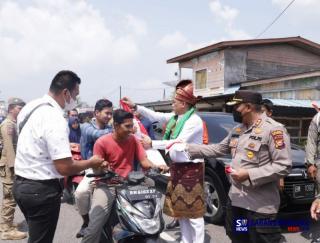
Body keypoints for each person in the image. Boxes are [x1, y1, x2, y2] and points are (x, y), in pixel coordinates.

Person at [174, 90, 292, 243]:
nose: (234, 110)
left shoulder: (274, 130)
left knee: (263, 240)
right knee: (239, 237)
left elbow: (283, 165)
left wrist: (249, 174)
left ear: (248, 107)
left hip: (260, 206)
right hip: (237, 203)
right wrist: (185, 148)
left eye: (236, 106)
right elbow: (217, 149)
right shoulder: (238, 129)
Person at [12, 70, 105, 243]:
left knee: (36, 237)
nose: (75, 100)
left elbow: (32, 141)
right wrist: (90, 162)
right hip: (41, 190)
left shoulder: (30, 107)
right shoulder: (54, 118)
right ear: (65, 93)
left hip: (21, 186)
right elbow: (64, 168)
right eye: (75, 94)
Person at [122, 79, 205, 243]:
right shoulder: (177, 118)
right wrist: (136, 107)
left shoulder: (193, 121)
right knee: (181, 211)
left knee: (194, 213)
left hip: (191, 169)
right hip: (179, 168)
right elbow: (156, 116)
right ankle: (186, 240)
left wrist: (152, 143)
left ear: (183, 103)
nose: (172, 104)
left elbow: (179, 142)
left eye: (174, 102)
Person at [81, 109, 168, 243]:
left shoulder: (133, 140)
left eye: (132, 125)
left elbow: (144, 161)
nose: (131, 129)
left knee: (151, 213)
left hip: (131, 184)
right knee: (94, 227)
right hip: (107, 185)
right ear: (115, 125)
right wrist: (102, 166)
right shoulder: (101, 142)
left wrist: (156, 167)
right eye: (127, 126)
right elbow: (96, 165)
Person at [74, 99, 113, 238]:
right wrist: (120, 131)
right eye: (106, 113)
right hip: (92, 168)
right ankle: (86, 222)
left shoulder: (110, 128)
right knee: (81, 193)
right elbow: (97, 135)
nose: (109, 116)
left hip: (110, 169)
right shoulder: (85, 126)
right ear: (96, 113)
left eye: (111, 114)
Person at [0, 98, 27, 240]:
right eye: (19, 108)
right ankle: (6, 230)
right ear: (11, 109)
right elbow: (9, 149)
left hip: (11, 164)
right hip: (10, 166)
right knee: (10, 197)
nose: (21, 110)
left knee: (9, 196)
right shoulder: (8, 125)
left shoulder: (13, 124)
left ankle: (5, 224)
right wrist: (14, 168)